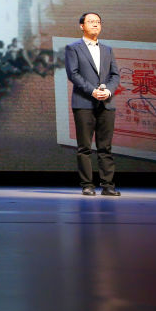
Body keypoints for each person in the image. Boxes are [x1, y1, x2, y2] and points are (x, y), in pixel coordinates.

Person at [64, 12, 121, 196]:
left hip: (106, 103)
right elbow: (73, 74)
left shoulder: (107, 49)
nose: (95, 24)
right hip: (84, 103)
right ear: (82, 26)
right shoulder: (73, 48)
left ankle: (107, 186)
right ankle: (87, 185)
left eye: (98, 22)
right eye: (91, 22)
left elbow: (115, 75)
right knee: (84, 147)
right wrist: (92, 91)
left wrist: (108, 91)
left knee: (105, 147)